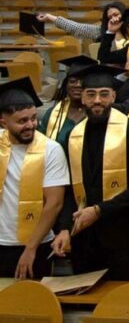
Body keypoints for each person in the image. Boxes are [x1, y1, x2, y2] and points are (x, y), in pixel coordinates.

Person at [51, 65, 129, 280]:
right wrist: (64, 228)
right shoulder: (73, 136)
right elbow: (69, 190)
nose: (97, 100)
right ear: (83, 98)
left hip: (122, 235)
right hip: (84, 239)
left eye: (104, 94)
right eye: (91, 94)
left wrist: (99, 211)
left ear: (113, 96)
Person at [0, 78, 68, 279]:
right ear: (4, 123)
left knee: (32, 297)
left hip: (36, 244)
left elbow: (54, 204)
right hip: (1, 242)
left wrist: (31, 248)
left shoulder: (51, 149)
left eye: (33, 118)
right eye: (22, 121)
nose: (30, 125)